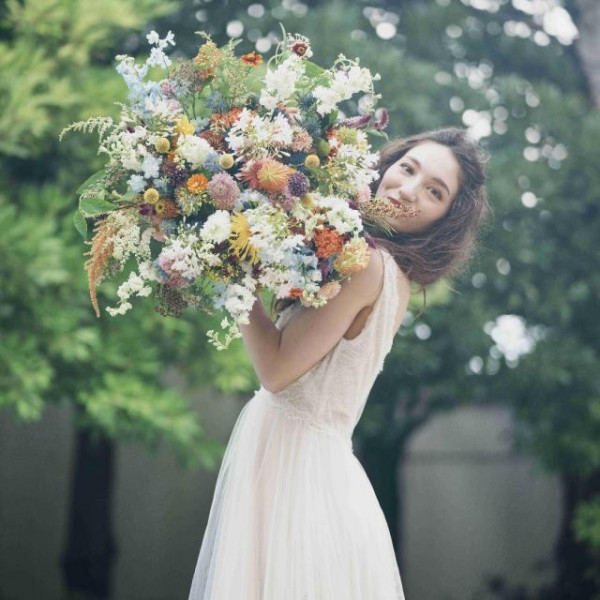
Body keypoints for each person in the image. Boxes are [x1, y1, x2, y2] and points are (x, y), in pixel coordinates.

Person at [187, 127, 490, 599]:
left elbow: (276, 370)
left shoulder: (368, 266)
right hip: (309, 464)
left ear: (444, 221)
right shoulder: (385, 271)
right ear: (386, 166)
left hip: (297, 469)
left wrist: (234, 268)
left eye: (434, 192)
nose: (408, 190)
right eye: (407, 168)